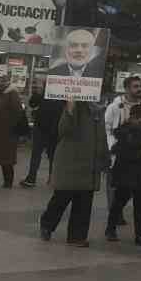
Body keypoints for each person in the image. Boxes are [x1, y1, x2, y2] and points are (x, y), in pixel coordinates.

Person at [38, 101, 110, 246]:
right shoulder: (71, 106)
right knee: (62, 197)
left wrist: (104, 157)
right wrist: (69, 109)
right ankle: (47, 225)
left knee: (84, 202)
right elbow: (63, 129)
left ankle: (77, 236)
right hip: (70, 162)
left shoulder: (97, 110)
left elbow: (102, 136)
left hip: (90, 163)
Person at [107, 102, 141, 244]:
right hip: (126, 175)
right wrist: (139, 153)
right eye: (138, 118)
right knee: (119, 203)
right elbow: (120, 152)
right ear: (131, 117)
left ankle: (139, 234)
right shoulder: (124, 132)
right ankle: (110, 228)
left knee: (140, 206)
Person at [19, 86, 63, 189]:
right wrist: (37, 93)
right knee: (37, 154)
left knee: (52, 156)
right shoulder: (44, 93)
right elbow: (32, 103)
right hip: (42, 128)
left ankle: (52, 178)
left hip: (54, 128)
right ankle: (32, 178)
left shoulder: (63, 94)